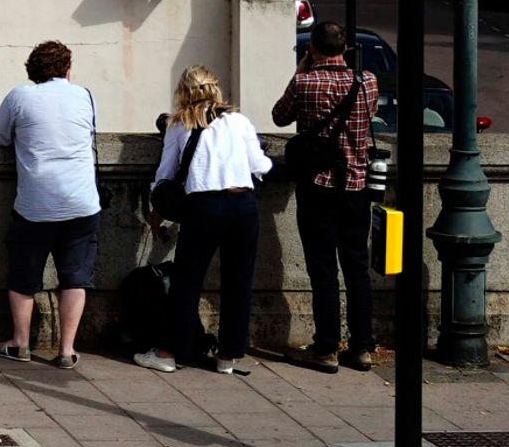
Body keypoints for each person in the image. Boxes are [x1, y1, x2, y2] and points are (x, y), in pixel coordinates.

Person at [136, 66, 273, 374]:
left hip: (204, 207)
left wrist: (158, 206)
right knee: (239, 281)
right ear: (215, 89)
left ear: (183, 92)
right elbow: (260, 165)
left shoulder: (179, 124)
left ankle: (170, 352)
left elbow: (165, 175)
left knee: (187, 281)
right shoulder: (239, 121)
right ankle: (228, 356)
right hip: (243, 205)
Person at [0, 40, 101, 369]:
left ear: (32, 70)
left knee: (24, 276)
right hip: (81, 201)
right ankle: (66, 350)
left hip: (36, 204)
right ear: (67, 68)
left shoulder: (20, 96)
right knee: (75, 277)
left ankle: (19, 343)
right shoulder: (85, 95)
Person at [273, 22, 379, 372]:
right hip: (356, 185)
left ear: (313, 49)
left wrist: (302, 69)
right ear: (345, 47)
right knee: (357, 267)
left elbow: (280, 115)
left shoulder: (305, 83)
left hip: (318, 185)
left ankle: (327, 347)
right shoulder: (368, 82)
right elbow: (369, 118)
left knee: (323, 269)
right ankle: (363, 346)